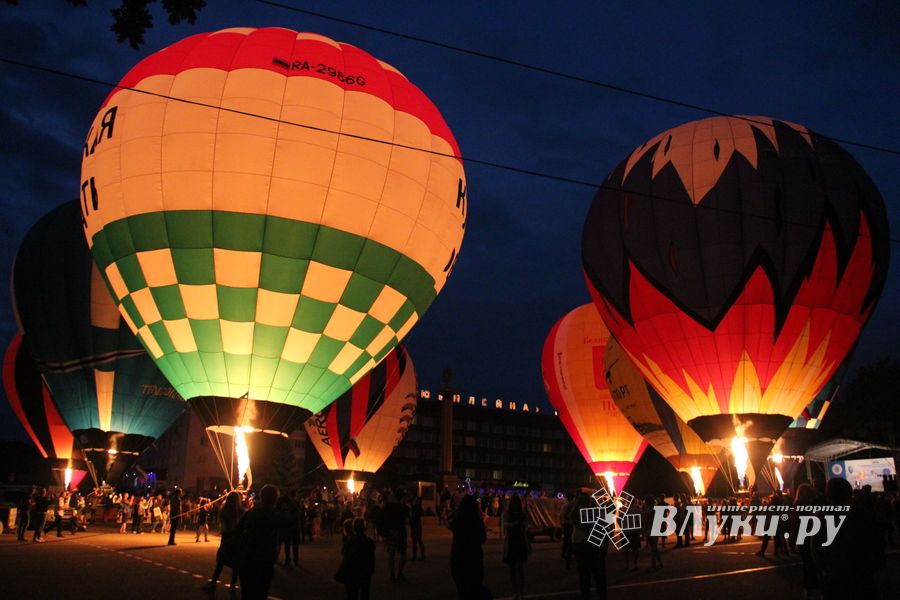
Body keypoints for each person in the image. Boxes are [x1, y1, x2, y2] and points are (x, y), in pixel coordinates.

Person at [236, 484, 280, 600]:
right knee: (261, 592)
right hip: (265, 559)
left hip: (248, 558)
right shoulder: (276, 516)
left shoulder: (251, 514)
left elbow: (237, 530)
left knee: (247, 593)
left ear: (261, 497)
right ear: (275, 499)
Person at [203, 491, 244, 592]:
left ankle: (213, 582)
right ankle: (233, 585)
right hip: (237, 537)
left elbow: (222, 522)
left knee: (221, 560)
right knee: (235, 562)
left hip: (226, 536)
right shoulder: (241, 511)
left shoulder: (224, 510)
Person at [448, 495, 488, 599]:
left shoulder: (457, 521)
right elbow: (483, 539)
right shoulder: (477, 522)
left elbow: (449, 523)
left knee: (462, 590)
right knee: (474, 589)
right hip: (474, 558)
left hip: (458, 558)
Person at [571, 491, 608, 600]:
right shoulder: (597, 512)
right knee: (597, 576)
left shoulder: (580, 512)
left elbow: (574, 520)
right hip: (593, 546)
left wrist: (577, 504)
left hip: (584, 546)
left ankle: (588, 596)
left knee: (585, 576)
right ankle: (601, 596)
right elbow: (605, 526)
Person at [336, 517, 375, 600]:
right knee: (364, 594)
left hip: (352, 571)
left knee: (352, 594)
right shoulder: (369, 541)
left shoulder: (351, 541)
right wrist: (370, 570)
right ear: (364, 528)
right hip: (365, 571)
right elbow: (371, 558)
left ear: (354, 528)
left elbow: (347, 557)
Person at [502, 494, 530, 600]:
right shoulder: (507, 514)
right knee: (512, 570)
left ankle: (521, 592)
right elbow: (504, 525)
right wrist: (515, 523)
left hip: (520, 541)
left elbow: (526, 527)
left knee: (519, 568)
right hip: (511, 542)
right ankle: (515, 592)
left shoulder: (523, 514)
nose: (515, 505)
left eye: (516, 503)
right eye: (513, 503)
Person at [382, 489, 410, 582]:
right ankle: (400, 573)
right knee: (403, 553)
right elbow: (407, 521)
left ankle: (392, 575)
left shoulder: (388, 506)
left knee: (391, 553)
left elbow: (384, 518)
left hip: (391, 532)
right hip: (401, 531)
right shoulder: (405, 507)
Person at [275, 493, 301, 566]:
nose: (284, 505)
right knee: (288, 545)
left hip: (291, 529)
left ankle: (294, 559)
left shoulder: (292, 510)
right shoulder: (282, 511)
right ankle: (289, 559)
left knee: (293, 545)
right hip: (287, 530)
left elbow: (296, 519)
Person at [642, 495, 662, 568]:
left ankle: (654, 564)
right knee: (654, 547)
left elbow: (645, 521)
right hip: (655, 529)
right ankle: (659, 562)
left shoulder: (648, 511)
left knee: (653, 548)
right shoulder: (655, 509)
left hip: (649, 530)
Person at [560, 493, 575, 569]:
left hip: (564, 524)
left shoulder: (564, 506)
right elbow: (567, 515)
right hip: (568, 524)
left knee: (566, 540)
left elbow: (561, 516)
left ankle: (564, 553)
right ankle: (568, 555)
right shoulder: (570, 506)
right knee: (570, 540)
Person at [409, 495, 425, 561]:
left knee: (416, 541)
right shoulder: (417, 508)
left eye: (415, 500)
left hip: (416, 526)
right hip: (416, 525)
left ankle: (415, 556)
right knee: (418, 540)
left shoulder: (416, 508)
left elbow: (414, 516)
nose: (414, 501)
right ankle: (422, 555)